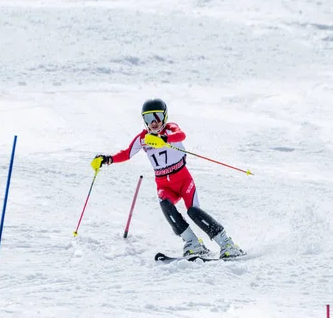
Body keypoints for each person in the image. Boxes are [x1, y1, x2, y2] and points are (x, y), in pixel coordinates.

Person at [95, 98, 244, 258]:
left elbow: (181, 135)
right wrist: (108, 159)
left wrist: (164, 140)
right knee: (165, 205)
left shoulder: (170, 129)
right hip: (164, 185)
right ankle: (193, 244)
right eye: (148, 118)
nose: (153, 122)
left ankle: (227, 243)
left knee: (194, 212)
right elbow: (127, 153)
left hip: (183, 180)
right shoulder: (143, 138)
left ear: (164, 117)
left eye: (157, 116)